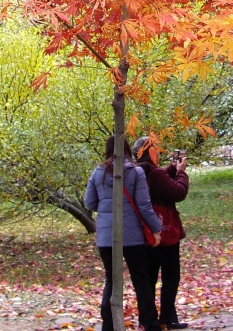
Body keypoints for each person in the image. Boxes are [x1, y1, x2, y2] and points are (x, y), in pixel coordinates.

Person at [84, 135, 163, 331]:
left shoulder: (98, 173)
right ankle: (150, 324)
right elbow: (144, 205)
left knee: (111, 279)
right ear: (128, 148)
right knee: (141, 279)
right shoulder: (135, 172)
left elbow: (90, 203)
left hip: (106, 236)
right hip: (132, 235)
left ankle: (108, 326)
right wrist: (156, 229)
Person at [133, 138, 190, 329]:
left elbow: (159, 182)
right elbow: (177, 192)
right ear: (150, 153)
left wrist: (172, 169)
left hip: (144, 232)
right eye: (155, 149)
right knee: (170, 275)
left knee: (148, 277)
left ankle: (147, 317)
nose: (158, 152)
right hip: (164, 232)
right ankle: (168, 316)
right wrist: (181, 173)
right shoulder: (154, 173)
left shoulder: (139, 171)